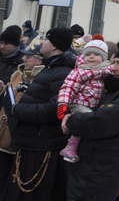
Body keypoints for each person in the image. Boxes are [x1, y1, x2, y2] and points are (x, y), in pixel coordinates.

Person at [64, 42, 119, 200]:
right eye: (113, 62)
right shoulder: (116, 87)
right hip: (91, 168)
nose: (114, 67)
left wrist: (72, 119)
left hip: (101, 172)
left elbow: (99, 123)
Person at [2, 27, 75, 200]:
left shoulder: (62, 72)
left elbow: (53, 109)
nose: (42, 43)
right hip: (32, 142)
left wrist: (17, 110)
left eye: (46, 40)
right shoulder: (51, 68)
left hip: (42, 145)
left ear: (55, 46)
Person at [56, 38, 112, 163]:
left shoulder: (106, 71)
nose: (91, 57)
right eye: (88, 54)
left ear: (103, 58)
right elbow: (68, 87)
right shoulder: (79, 71)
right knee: (85, 119)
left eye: (96, 54)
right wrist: (63, 103)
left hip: (95, 105)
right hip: (80, 103)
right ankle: (70, 147)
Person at [0, 42, 44, 193]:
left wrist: (15, 116)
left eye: (29, 57)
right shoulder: (17, 74)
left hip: (19, 138)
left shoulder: (42, 78)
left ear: (39, 61)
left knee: (10, 180)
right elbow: (9, 97)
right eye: (24, 56)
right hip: (3, 132)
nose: (24, 59)